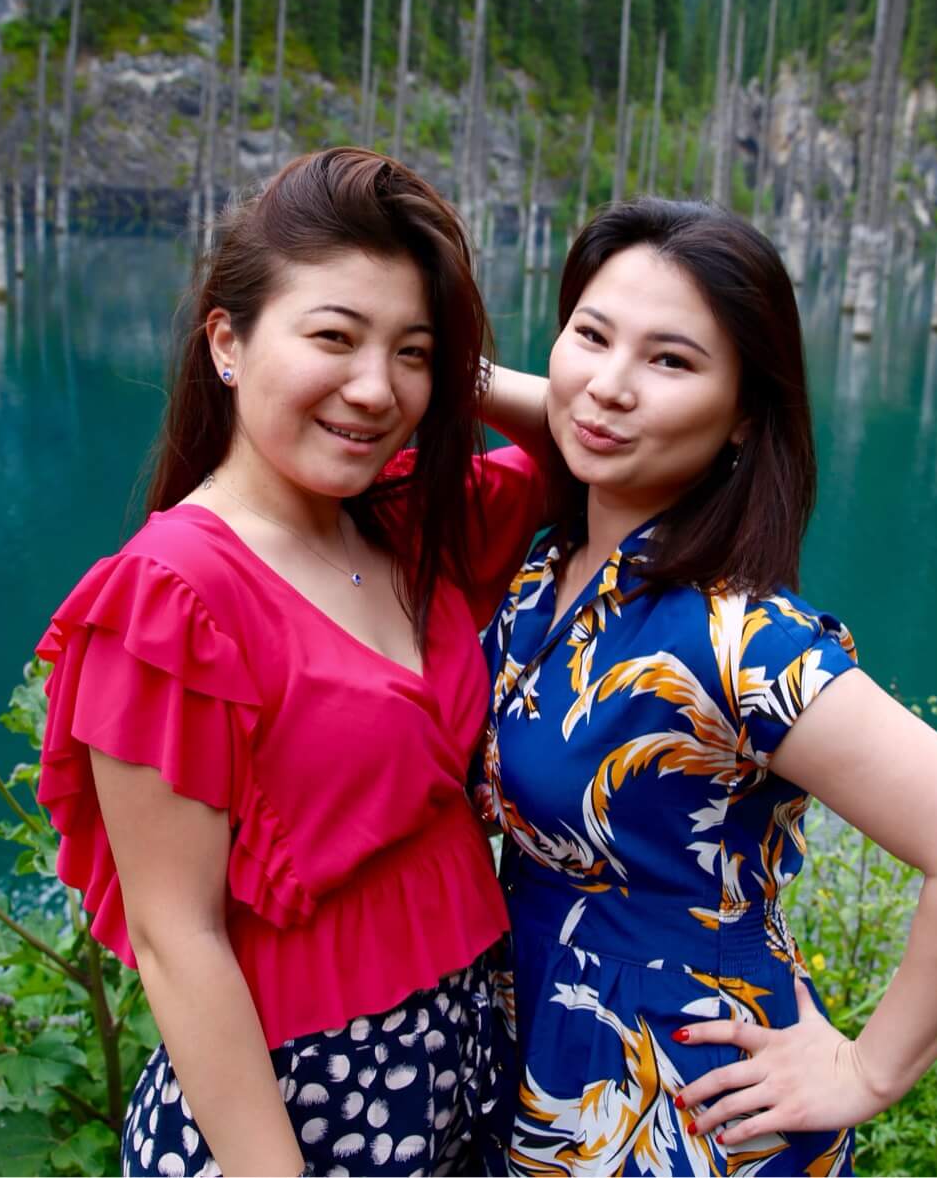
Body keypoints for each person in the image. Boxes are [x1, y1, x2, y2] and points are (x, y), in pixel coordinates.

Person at [479, 199, 937, 1174]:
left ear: (744, 414)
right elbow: (588, 407)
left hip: (675, 1097)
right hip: (542, 1039)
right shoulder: (559, 564)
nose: (608, 387)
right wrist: (435, 369)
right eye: (590, 334)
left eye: (671, 361)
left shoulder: (737, 638)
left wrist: (867, 1072)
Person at [34, 149, 552, 1175]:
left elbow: (585, 446)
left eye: (410, 354)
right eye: (332, 337)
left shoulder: (411, 524)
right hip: (304, 1112)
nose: (373, 391)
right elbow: (179, 944)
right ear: (225, 341)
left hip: (464, 1076)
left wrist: (451, 374)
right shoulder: (171, 598)